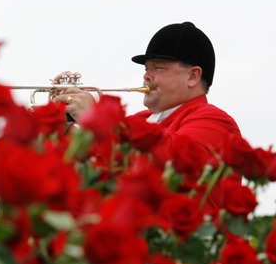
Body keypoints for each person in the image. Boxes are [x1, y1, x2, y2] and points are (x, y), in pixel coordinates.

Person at [52, 21, 242, 212]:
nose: (146, 77)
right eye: (146, 69)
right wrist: (59, 128)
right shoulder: (138, 120)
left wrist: (96, 120)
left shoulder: (214, 121)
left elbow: (168, 163)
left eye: (158, 68)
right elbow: (88, 168)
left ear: (192, 76)